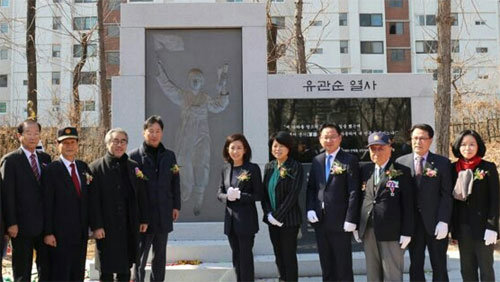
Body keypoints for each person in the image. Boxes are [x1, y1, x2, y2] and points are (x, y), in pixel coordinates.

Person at [157, 58, 229, 215]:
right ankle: (186, 188)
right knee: (184, 163)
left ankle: (199, 197)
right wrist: (160, 72)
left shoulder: (205, 98)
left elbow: (219, 106)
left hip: (202, 136)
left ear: (202, 82)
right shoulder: (182, 96)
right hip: (185, 136)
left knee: (202, 163)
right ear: (188, 81)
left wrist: (223, 89)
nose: (195, 82)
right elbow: (168, 88)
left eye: (198, 80)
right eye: (193, 79)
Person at [89, 128, 149, 281]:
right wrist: (96, 226)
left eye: (123, 141)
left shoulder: (133, 166)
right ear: (108, 143)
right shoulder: (95, 168)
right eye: (115, 141)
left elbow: (141, 194)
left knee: (125, 268)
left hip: (128, 226)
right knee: (106, 270)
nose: (119, 145)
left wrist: (143, 219)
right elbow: (92, 202)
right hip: (106, 227)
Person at [396, 124, 453, 281]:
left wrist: (443, 220)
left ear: (430, 140)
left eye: (422, 138)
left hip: (435, 222)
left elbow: (446, 194)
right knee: (415, 264)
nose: (418, 142)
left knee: (439, 264)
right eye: (415, 138)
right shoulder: (401, 162)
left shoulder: (442, 163)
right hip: (412, 224)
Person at [306, 123, 360, 282]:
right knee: (326, 264)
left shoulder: (349, 160)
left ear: (340, 138)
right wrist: (310, 208)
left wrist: (351, 219)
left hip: (341, 221)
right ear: (320, 139)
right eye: (325, 137)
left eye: (332, 137)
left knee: (343, 265)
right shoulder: (317, 160)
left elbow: (354, 191)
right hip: (321, 221)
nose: (329, 140)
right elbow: (311, 188)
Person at [357, 132, 414, 282]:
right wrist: (358, 226)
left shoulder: (401, 171)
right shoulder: (365, 170)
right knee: (373, 273)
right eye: (372, 149)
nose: (376, 152)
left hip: (392, 232)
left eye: (380, 148)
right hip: (369, 229)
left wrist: (407, 232)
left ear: (390, 148)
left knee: (392, 274)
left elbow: (408, 204)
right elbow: (362, 198)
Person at [130, 116, 181, 282]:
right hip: (143, 217)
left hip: (163, 213)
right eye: (150, 131)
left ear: (162, 133)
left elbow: (175, 183)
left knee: (160, 257)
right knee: (140, 258)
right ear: (144, 132)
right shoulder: (134, 157)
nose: (154, 134)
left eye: (157, 131)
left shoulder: (169, 156)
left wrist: (176, 206)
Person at [0, 119, 51, 281]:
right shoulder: (11, 161)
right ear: (19, 136)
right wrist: (11, 223)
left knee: (46, 267)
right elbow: (7, 194)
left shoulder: (45, 158)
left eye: (36, 133)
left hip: (44, 225)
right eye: (28, 133)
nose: (33, 137)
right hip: (21, 226)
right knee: (22, 269)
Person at [42, 127, 90, 281]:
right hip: (59, 234)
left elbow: (89, 199)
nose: (69, 146)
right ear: (58, 145)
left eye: (72, 142)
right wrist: (48, 232)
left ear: (77, 144)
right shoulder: (51, 170)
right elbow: (47, 203)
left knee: (78, 274)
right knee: (61, 274)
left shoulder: (83, 168)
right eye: (65, 143)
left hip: (80, 234)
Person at [450, 129, 499, 281]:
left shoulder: (487, 167)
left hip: (484, 228)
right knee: (467, 269)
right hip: (463, 228)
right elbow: (452, 203)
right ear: (458, 146)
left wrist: (492, 227)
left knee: (486, 269)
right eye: (464, 144)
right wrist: (454, 230)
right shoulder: (453, 169)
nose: (468, 148)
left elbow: (495, 200)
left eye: (472, 144)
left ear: (478, 146)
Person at [216, 133, 262, 282]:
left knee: (246, 257)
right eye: (232, 148)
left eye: (239, 148)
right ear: (227, 150)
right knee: (236, 256)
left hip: (246, 221)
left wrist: (240, 196)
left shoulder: (252, 168)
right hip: (231, 222)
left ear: (245, 150)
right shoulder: (225, 169)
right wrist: (226, 197)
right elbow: (219, 193)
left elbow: (259, 195)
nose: (235, 151)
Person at [261, 131, 304, 282]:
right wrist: (268, 215)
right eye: (275, 146)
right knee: (278, 254)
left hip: (289, 221)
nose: (277, 149)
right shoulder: (269, 166)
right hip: (272, 220)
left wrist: (278, 216)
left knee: (288, 255)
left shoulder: (295, 166)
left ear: (288, 148)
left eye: (281, 146)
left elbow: (293, 195)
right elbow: (264, 193)